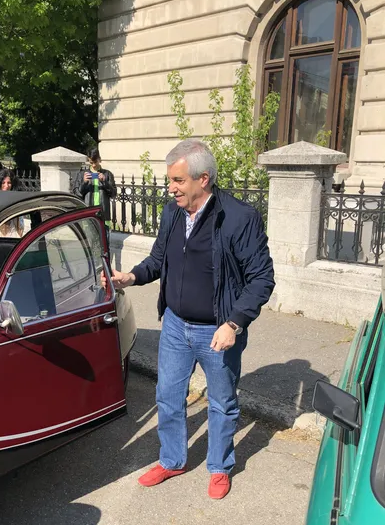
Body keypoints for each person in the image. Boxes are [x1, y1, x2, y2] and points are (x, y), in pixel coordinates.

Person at [104, 139, 275, 499]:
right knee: (167, 397)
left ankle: (220, 467)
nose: (171, 188)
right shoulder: (172, 213)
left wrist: (234, 323)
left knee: (222, 403)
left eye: (178, 180)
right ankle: (172, 460)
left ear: (204, 179)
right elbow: (158, 260)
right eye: (170, 180)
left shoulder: (239, 218)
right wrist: (130, 277)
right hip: (175, 326)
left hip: (218, 330)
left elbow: (261, 278)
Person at [73, 148, 116, 234]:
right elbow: (76, 194)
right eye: (91, 162)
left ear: (99, 159)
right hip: (88, 214)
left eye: (95, 162)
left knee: (104, 240)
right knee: (89, 240)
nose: (93, 165)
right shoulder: (82, 174)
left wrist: (104, 182)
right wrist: (84, 183)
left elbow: (113, 194)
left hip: (103, 214)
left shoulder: (107, 174)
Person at [0, 169, 26, 238]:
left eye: (9, 183)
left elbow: (20, 225)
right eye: (3, 183)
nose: (6, 186)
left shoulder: (16, 199)